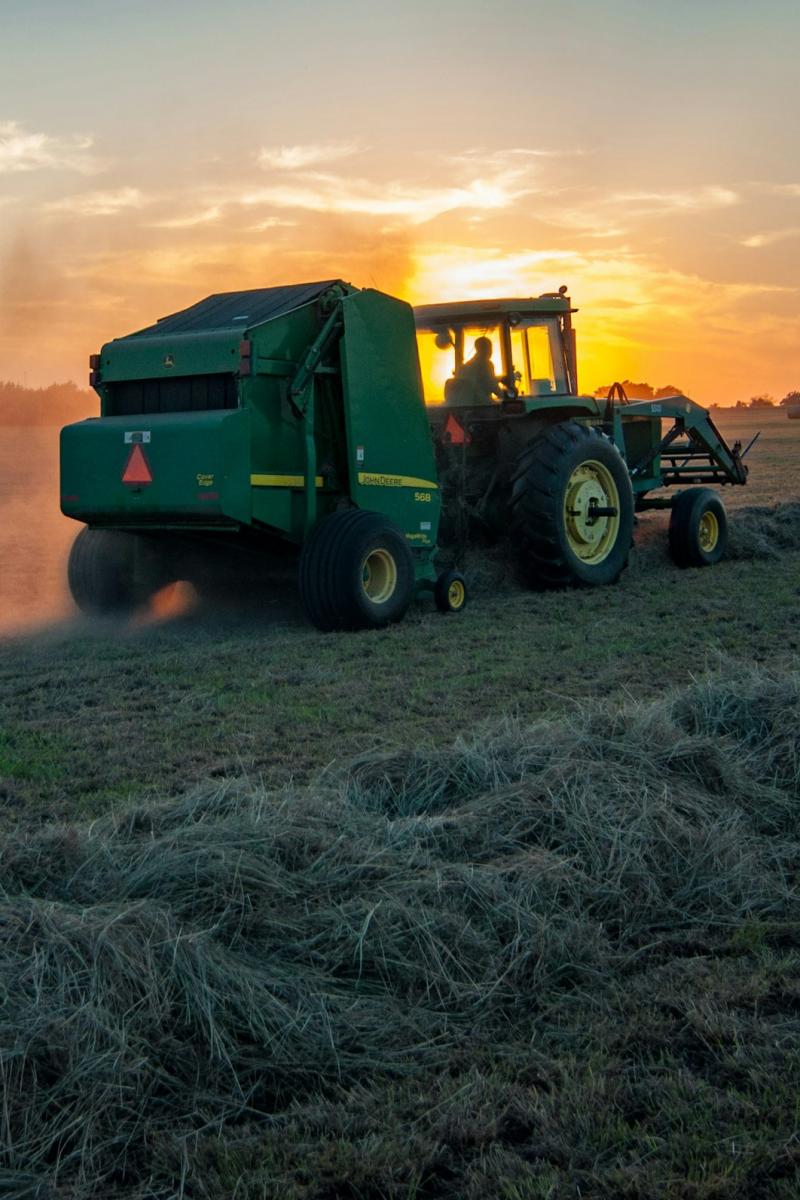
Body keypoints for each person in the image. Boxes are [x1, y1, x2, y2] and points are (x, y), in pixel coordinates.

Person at [448, 336, 503, 405]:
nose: (491, 351)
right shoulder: (487, 365)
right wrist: (506, 395)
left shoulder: (467, 365)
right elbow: (493, 386)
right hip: (482, 404)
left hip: (467, 404)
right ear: (481, 349)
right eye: (489, 348)